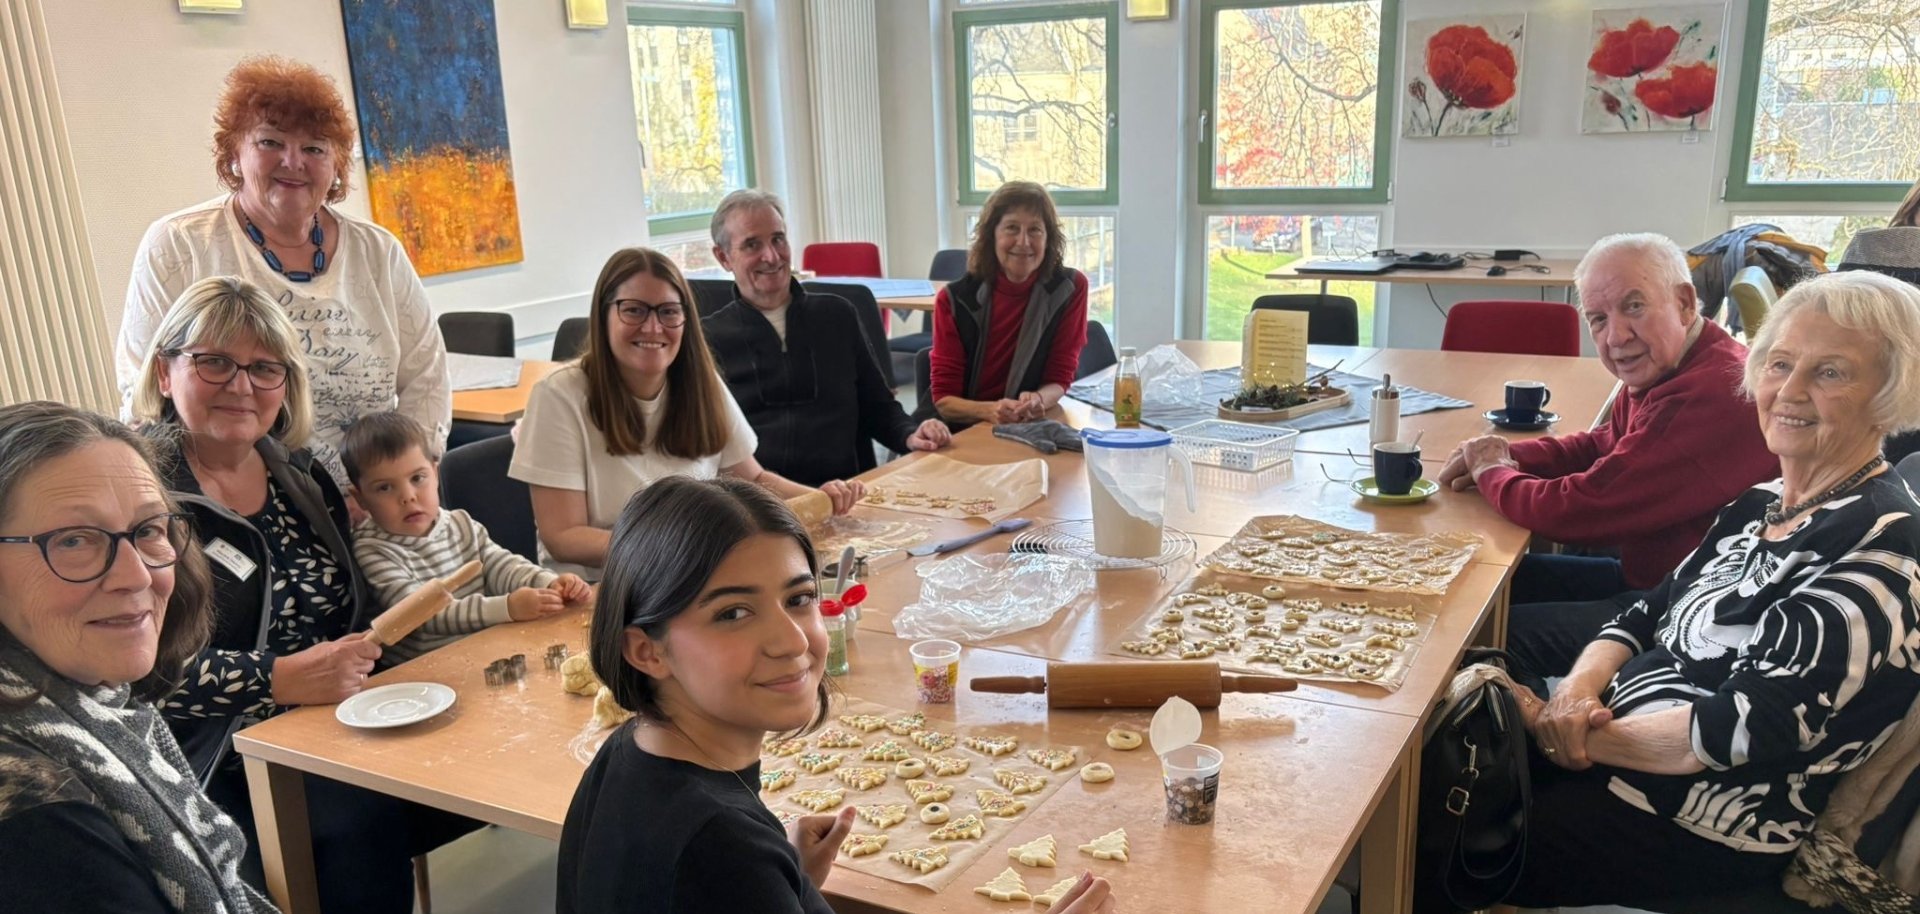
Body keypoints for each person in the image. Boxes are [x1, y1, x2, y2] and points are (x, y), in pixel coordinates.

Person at [1417, 271, 1920, 913]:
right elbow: (1648, 610)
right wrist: (1572, 692)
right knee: (1431, 742)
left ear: (1888, 394)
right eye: (1780, 364)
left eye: (1831, 373)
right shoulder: (1763, 501)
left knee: (1429, 838)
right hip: (1612, 741)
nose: (1788, 392)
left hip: (1694, 818)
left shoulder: (1883, 552)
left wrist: (1556, 728)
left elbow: (1738, 728)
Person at [557, 476, 1114, 914]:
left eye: (799, 598)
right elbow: (707, 872)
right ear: (647, 650)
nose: (791, 639)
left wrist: (790, 880)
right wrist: (764, 880)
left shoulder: (631, 751)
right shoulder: (722, 851)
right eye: (732, 613)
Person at [127, 276, 469, 913]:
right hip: (217, 747)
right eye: (214, 362)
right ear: (166, 372)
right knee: (359, 825)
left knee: (480, 757)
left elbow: (353, 604)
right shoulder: (140, 493)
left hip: (341, 716)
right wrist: (276, 678)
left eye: (265, 368)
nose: (241, 385)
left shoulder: (301, 473)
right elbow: (132, 670)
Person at [1438, 233, 1779, 664]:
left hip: (1689, 614)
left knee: (1475, 640)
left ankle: (1536, 730)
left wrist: (1493, 474)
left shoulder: (1711, 391)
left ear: (1685, 303)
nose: (1616, 336)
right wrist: (1507, 455)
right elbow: (1604, 444)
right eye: (1597, 319)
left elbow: (1581, 508)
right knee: (1472, 584)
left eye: (1634, 307)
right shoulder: (1677, 363)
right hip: (1658, 576)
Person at [116, 55, 449, 488]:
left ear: (336, 169)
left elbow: (427, 379)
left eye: (314, 148)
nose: (293, 162)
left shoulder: (378, 252)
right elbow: (142, 393)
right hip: (243, 503)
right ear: (233, 154)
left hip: (377, 499)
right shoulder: (180, 244)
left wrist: (400, 485)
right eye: (270, 142)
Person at [0, 401, 275, 913]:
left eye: (148, 530)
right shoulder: (38, 819)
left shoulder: (102, 705)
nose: (138, 576)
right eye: (74, 540)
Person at [510, 248, 863, 581]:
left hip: (698, 576)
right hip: (605, 590)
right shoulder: (559, 395)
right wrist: (678, 551)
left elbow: (752, 480)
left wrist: (821, 500)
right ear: (603, 315)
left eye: (668, 311)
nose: (653, 327)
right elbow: (564, 536)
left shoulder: (700, 383)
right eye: (633, 310)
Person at [703, 189, 952, 486]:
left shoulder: (837, 316)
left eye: (778, 239)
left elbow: (878, 405)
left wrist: (911, 433)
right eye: (752, 245)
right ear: (723, 257)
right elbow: (713, 448)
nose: (771, 256)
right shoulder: (708, 339)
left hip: (850, 494)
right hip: (765, 506)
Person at [341, 411, 593, 666]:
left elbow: (501, 565)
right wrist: (507, 608)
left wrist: (549, 583)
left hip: (481, 651)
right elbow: (422, 614)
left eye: (417, 478)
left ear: (435, 474)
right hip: (424, 672)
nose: (408, 496)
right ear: (360, 498)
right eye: (385, 487)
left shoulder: (460, 523)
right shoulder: (371, 549)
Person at [927, 180, 1090, 426]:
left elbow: (1060, 375)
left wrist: (1038, 399)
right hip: (969, 429)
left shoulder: (1069, 289)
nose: (1023, 242)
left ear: (1049, 238)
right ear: (991, 235)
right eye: (1012, 228)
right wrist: (990, 410)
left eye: (1035, 230)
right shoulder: (955, 299)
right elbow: (944, 400)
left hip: (1028, 425)